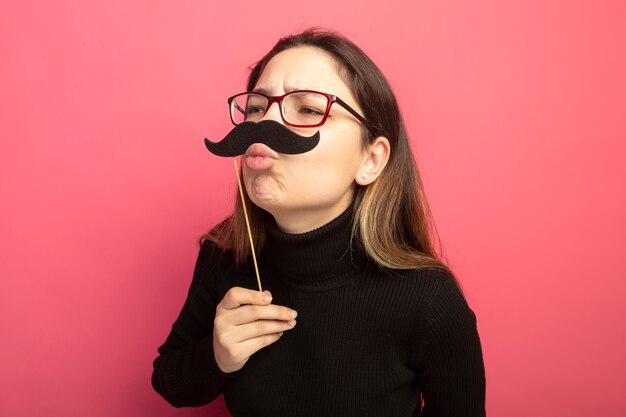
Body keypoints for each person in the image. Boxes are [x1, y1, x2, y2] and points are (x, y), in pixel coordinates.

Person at [151, 28, 486, 416]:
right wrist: (217, 355)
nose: (264, 123)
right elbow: (169, 381)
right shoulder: (224, 256)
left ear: (371, 160)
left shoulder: (427, 298)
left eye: (308, 109)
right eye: (257, 107)